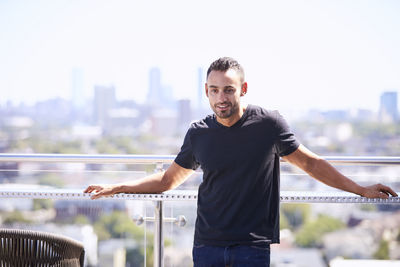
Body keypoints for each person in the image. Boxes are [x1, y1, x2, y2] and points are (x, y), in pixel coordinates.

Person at [84, 57, 398, 267]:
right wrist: (117, 187)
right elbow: (167, 182)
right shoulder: (198, 134)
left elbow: (311, 164)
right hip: (207, 245)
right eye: (215, 90)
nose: (221, 98)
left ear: (243, 89)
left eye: (229, 90)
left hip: (252, 247)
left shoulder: (269, 125)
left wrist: (360, 190)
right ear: (206, 92)